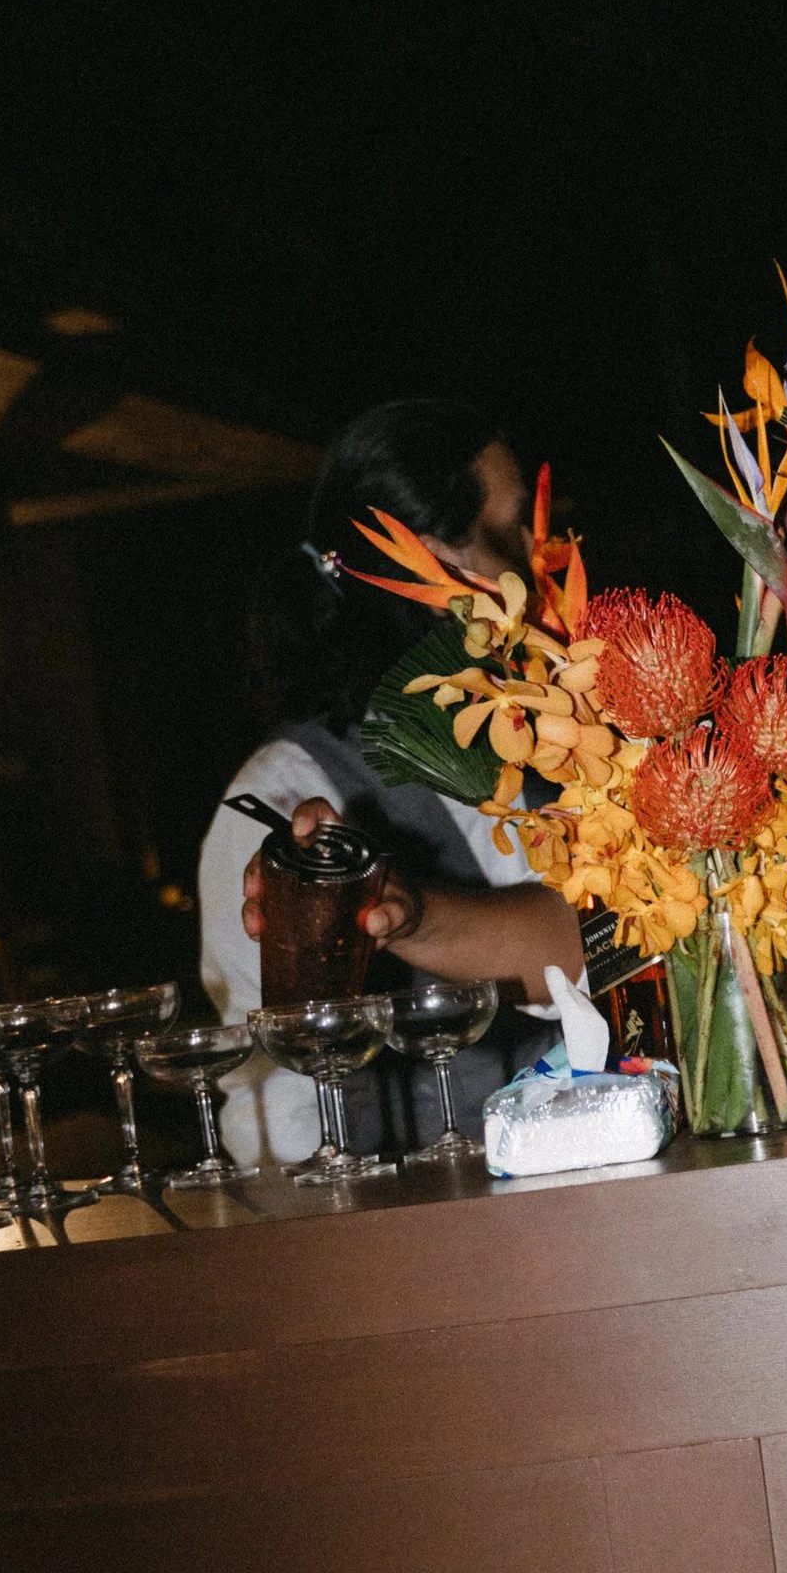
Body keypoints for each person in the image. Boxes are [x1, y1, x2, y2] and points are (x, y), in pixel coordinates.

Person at [198, 401, 583, 1160]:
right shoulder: (287, 794)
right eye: (513, 531)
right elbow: (271, 1110)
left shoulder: (547, 736)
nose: (543, 562)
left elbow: (600, 939)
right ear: (437, 561)